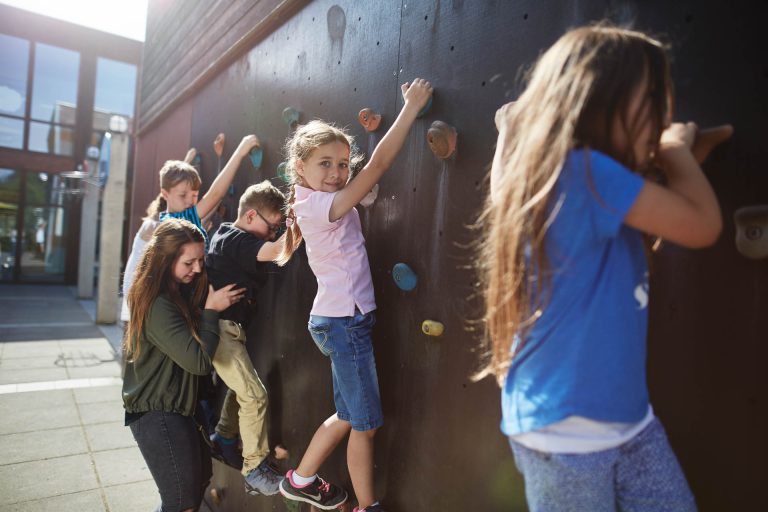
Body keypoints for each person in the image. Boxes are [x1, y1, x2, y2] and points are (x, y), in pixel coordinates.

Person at [477, 25, 722, 511]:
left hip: (623, 420)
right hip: (566, 434)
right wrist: (676, 152)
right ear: (595, 99)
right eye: (650, 100)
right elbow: (701, 226)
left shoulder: (555, 177)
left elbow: (501, 190)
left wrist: (506, 133)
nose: (661, 116)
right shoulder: (587, 173)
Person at [275, 78, 433, 512]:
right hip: (343, 325)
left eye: (343, 164)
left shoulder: (319, 201)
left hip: (343, 320)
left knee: (348, 417)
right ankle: (367, 507)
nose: (337, 173)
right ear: (300, 169)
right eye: (325, 164)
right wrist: (411, 108)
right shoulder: (317, 206)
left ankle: (301, 478)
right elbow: (378, 165)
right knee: (366, 425)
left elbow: (363, 182)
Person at [122, 218, 245, 512]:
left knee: (190, 491)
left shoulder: (176, 290)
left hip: (179, 410)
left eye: (201, 260)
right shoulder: (158, 303)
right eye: (189, 262)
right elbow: (198, 362)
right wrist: (212, 311)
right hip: (159, 415)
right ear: (165, 260)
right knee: (182, 503)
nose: (198, 268)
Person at [205, 180, 287, 495]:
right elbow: (277, 251)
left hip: (231, 331)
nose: (271, 234)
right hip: (223, 330)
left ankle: (224, 436)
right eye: (271, 227)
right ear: (251, 216)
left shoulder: (227, 236)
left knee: (240, 387)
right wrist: (305, 220)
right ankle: (254, 468)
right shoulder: (236, 240)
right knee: (254, 396)